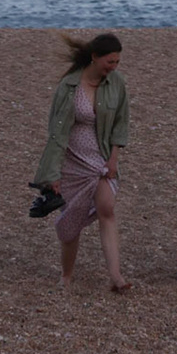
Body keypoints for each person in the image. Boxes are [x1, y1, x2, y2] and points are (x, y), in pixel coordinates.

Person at [33, 32, 134, 292]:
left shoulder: (116, 83)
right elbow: (56, 134)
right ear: (94, 57)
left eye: (117, 63)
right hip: (72, 160)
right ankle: (66, 274)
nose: (113, 68)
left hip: (100, 157)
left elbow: (121, 123)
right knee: (71, 224)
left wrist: (114, 158)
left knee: (107, 209)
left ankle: (116, 277)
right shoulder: (69, 86)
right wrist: (51, 174)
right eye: (109, 62)